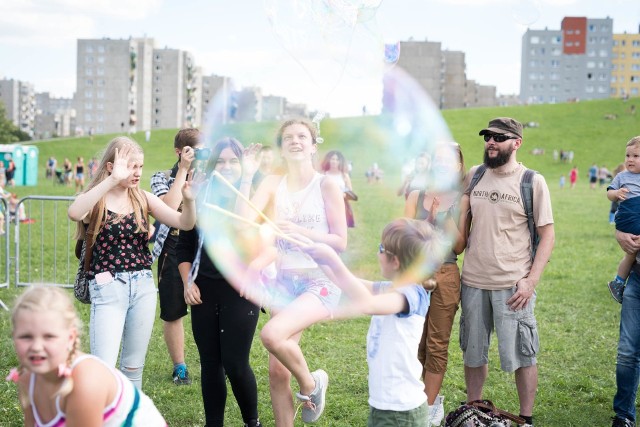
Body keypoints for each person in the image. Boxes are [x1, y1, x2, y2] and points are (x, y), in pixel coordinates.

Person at [237, 118, 347, 425]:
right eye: (288, 138)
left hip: (320, 280)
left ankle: (312, 384)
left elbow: (340, 240)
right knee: (276, 371)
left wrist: (300, 232)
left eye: (302, 136)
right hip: (284, 282)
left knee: (272, 335)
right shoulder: (273, 183)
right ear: (283, 148)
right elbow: (244, 218)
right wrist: (247, 176)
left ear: (314, 146)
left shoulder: (326, 184)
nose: (295, 141)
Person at [67, 136, 196, 389]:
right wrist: (113, 181)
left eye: (140, 166)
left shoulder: (142, 198)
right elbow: (74, 212)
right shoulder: (97, 200)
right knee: (104, 367)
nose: (137, 173)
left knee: (133, 368)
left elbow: (184, 223)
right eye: (131, 167)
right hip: (107, 287)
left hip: (143, 288)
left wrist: (189, 201)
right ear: (111, 167)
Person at [459, 118, 554, 427]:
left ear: (516, 143)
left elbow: (547, 235)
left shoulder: (531, 181)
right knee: (473, 353)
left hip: (513, 287)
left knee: (523, 354)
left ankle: (525, 419)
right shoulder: (474, 175)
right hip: (473, 281)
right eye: (488, 136)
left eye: (499, 138)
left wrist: (531, 281)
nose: (491, 142)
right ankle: (473, 411)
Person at [302, 218, 442, 427]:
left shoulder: (411, 295)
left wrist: (334, 260)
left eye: (381, 248)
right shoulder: (394, 287)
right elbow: (345, 282)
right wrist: (317, 255)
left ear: (395, 261)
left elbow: (367, 303)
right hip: (384, 405)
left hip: (401, 412)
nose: (378, 254)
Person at [177, 137, 262, 427]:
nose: (226, 167)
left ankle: (253, 422)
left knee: (236, 364)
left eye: (233, 161)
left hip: (241, 289)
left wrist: (248, 178)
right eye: (221, 161)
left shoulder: (253, 196)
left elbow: (251, 234)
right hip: (205, 290)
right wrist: (188, 282)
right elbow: (184, 246)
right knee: (210, 364)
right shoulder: (201, 195)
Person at [8, 286, 167, 426]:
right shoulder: (28, 378)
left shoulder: (85, 382)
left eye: (49, 336)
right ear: (14, 336)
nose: (36, 347)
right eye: (26, 337)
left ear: (70, 338)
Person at [404, 143, 466, 426]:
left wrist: (442, 215)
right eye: (438, 159)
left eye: (448, 160)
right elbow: (402, 237)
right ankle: (416, 398)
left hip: (446, 273)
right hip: (416, 274)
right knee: (414, 340)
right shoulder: (415, 195)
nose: (442, 163)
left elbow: (460, 244)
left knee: (437, 343)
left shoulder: (461, 199)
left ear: (458, 166)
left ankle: (428, 408)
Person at [150, 128, 199, 386]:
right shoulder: (162, 177)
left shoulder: (211, 177)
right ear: (179, 152)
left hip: (203, 249)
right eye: (192, 151)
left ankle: (218, 361)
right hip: (172, 246)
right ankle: (179, 366)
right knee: (173, 311)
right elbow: (167, 207)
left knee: (210, 307)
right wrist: (183, 171)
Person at [606, 137, 640, 304]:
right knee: (631, 252)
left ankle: (618, 281)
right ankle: (619, 282)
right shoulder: (621, 176)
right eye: (628, 156)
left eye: (635, 156)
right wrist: (617, 193)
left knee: (631, 254)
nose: (630, 159)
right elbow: (609, 193)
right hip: (628, 218)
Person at [321, 150, 356, 228]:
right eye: (332, 159)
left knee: (340, 228)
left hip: (341, 205)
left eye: (337, 160)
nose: (334, 161)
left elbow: (350, 191)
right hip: (325, 205)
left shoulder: (344, 175)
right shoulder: (323, 174)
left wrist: (342, 194)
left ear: (340, 162)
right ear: (328, 160)